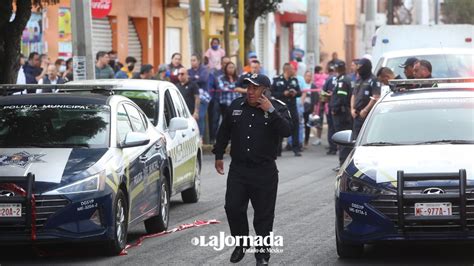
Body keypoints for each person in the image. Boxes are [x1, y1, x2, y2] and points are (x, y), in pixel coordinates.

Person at [212, 73, 292, 265]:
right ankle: (242, 242)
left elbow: (288, 131)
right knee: (232, 207)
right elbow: (223, 132)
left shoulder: (278, 107)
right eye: (248, 87)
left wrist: (271, 111)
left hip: (264, 171)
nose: (250, 91)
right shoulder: (236, 106)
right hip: (239, 169)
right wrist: (218, 155)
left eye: (254, 88)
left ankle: (262, 254)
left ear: (265, 90)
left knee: (263, 215)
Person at [271, 63, 302, 156]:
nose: (294, 71)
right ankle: (278, 150)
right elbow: (273, 93)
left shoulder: (294, 80)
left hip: (292, 107)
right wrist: (283, 93)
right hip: (281, 108)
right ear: (287, 70)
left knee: (295, 127)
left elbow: (300, 93)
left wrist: (295, 93)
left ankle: (296, 149)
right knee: (280, 126)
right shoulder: (277, 80)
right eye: (292, 69)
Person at [351, 58, 381, 139]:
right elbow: (353, 95)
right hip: (357, 115)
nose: (358, 69)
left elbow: (375, 97)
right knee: (355, 138)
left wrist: (365, 110)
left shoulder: (374, 80)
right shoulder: (358, 80)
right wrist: (352, 108)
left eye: (360, 67)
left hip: (367, 115)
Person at [330, 61, 353, 169]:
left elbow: (342, 97)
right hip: (344, 112)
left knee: (342, 138)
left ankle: (343, 163)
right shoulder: (343, 79)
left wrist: (335, 108)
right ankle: (344, 162)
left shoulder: (342, 81)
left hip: (341, 113)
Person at [208, 56, 232, 144]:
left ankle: (228, 139)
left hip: (228, 100)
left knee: (228, 120)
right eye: (225, 63)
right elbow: (210, 86)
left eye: (228, 63)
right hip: (217, 99)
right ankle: (213, 139)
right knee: (215, 120)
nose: (226, 65)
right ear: (221, 64)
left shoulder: (231, 74)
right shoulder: (215, 73)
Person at [188, 54, 210, 137]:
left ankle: (200, 137)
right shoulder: (189, 71)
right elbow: (188, 79)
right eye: (191, 60)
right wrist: (196, 77)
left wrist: (192, 78)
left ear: (198, 61)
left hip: (203, 97)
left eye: (194, 60)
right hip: (192, 97)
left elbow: (203, 79)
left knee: (200, 116)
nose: (192, 62)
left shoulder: (204, 70)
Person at [217, 62, 241, 128]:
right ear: (226, 69)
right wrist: (235, 87)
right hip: (225, 104)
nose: (231, 69)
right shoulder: (221, 78)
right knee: (225, 122)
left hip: (236, 104)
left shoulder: (238, 78)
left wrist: (229, 87)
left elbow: (241, 87)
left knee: (236, 121)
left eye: (232, 67)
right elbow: (222, 88)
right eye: (229, 67)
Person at [321, 66, 338, 155]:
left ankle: (333, 148)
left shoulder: (328, 79)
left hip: (330, 106)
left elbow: (323, 94)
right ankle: (339, 146)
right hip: (339, 107)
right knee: (338, 128)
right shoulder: (343, 79)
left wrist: (324, 103)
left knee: (331, 127)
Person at [312, 66, 328, 146]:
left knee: (318, 121)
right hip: (326, 102)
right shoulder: (326, 78)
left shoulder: (315, 81)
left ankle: (318, 138)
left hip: (318, 103)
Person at [301, 70, 317, 147]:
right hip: (301, 107)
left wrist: (314, 110)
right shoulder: (301, 85)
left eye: (310, 76)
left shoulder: (313, 86)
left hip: (309, 108)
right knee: (300, 125)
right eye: (307, 76)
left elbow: (315, 99)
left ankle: (306, 141)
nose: (308, 77)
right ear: (304, 76)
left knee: (307, 125)